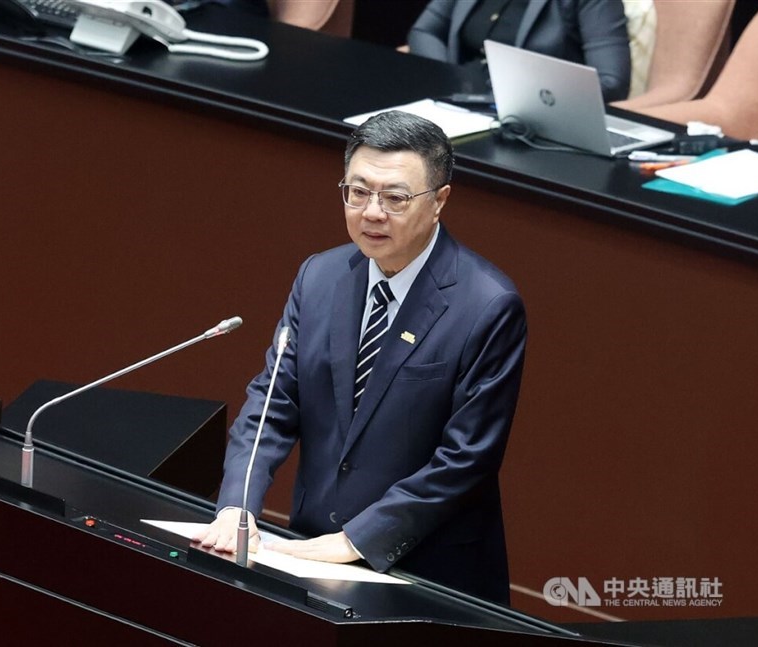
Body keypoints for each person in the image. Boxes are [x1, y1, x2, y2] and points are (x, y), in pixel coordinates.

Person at [193, 110, 527, 605]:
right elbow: (272, 404)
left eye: (395, 197)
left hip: (425, 573)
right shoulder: (320, 277)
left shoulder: (487, 305)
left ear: (439, 201)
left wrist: (355, 541)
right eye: (358, 191)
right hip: (309, 553)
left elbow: (465, 459)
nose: (372, 212)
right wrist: (237, 507)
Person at [406, 0, 631, 102]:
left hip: (532, 120)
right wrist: (448, 81)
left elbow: (612, 81)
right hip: (457, 104)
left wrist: (522, 98)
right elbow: (425, 31)